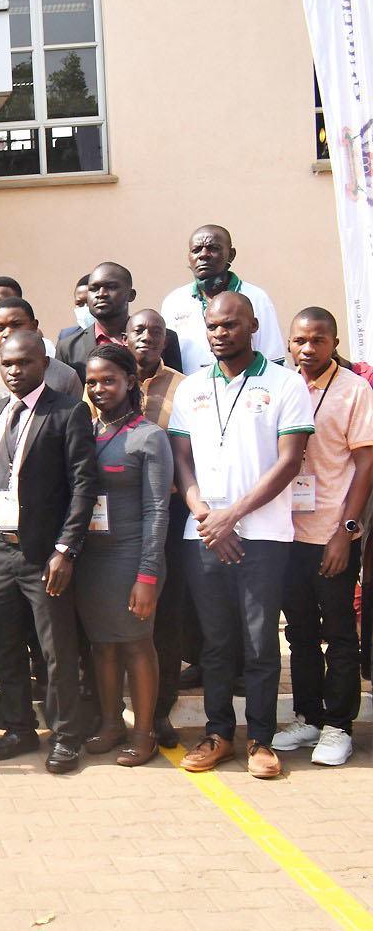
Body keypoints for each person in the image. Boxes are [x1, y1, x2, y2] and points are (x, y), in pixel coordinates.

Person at [168, 292, 312, 779]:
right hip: (203, 533)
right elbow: (181, 461)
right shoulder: (190, 389)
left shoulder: (286, 383)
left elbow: (289, 462)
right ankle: (218, 734)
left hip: (265, 535)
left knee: (259, 642)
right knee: (214, 642)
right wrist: (206, 515)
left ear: (252, 325)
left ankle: (262, 740)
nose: (219, 333)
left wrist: (233, 517)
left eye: (230, 325)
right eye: (212, 326)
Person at [0, 331, 97, 774]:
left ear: (44, 364)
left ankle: (66, 736)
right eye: (7, 364)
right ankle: (19, 729)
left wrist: (66, 549)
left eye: (25, 363)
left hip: (44, 554)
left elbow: (83, 486)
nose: (15, 371)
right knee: (6, 646)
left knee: (56, 651)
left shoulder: (68, 412)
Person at [272, 308, 373, 766]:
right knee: (299, 633)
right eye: (299, 341)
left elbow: (367, 463)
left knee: (338, 632)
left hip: (331, 531)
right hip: (286, 534)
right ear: (289, 344)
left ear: (334, 343)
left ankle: (338, 726)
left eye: (318, 340)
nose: (307, 349)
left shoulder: (354, 390)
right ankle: (309, 717)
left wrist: (345, 532)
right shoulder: (281, 386)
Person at [74, 344, 174, 767]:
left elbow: (157, 510)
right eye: (92, 382)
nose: (99, 389)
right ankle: (111, 723)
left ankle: (143, 731)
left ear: (130, 382)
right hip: (91, 561)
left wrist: (147, 575)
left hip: (132, 557)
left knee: (136, 645)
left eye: (109, 380)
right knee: (102, 646)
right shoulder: (84, 432)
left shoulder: (149, 436)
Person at [124, 308, 188, 746]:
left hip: (171, 515)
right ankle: (113, 709)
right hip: (114, 518)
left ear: (166, 341)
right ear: (125, 337)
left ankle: (160, 712)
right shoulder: (104, 381)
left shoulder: (185, 389)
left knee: (167, 617)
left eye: (156, 332)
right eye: (139, 330)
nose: (147, 337)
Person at [161, 224, 285, 372]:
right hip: (189, 390)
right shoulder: (174, 301)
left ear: (231, 255)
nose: (203, 254)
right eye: (196, 250)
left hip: (245, 388)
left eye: (213, 248)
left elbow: (272, 359)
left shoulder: (256, 298)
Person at [0, 298, 83, 425]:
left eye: (16, 325)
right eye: (0, 328)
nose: (8, 333)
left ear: (34, 326)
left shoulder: (66, 375)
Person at [59, 262, 182, 379]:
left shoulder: (160, 338)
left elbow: (176, 387)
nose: (101, 294)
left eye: (111, 287)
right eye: (94, 288)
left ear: (131, 295)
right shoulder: (68, 347)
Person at [57, 276, 92, 342]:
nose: (85, 307)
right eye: (79, 303)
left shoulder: (115, 335)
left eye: (89, 302)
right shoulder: (67, 336)